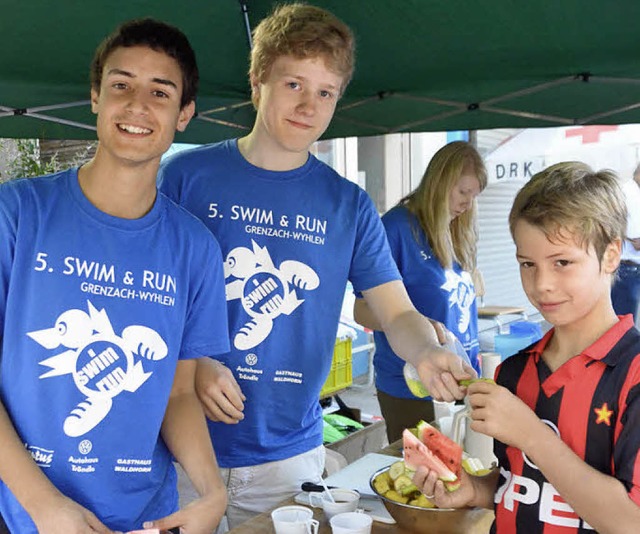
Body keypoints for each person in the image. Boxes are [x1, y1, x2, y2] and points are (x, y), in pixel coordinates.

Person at [158, 3, 474, 528]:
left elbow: (395, 313)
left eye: (325, 92)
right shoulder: (185, 176)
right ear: (258, 82)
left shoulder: (348, 205)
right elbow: (147, 300)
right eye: (294, 85)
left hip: (288, 459)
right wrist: (193, 366)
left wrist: (426, 351)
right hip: (181, 449)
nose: (309, 105)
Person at [0, 18, 230, 534]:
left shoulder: (195, 248)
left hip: (146, 519)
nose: (137, 106)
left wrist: (213, 490)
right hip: (22, 515)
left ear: (184, 115)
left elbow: (178, 393)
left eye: (160, 92)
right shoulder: (15, 215)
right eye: (121, 85)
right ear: (95, 97)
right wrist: (45, 506)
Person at [413, 162, 640, 532]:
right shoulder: (514, 372)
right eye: (527, 264)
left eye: (562, 262)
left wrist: (532, 435)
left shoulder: (632, 375)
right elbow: (516, 484)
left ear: (611, 255)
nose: (542, 284)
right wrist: (474, 489)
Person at [352, 141, 487, 443]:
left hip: (461, 377)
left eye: (474, 196)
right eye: (463, 192)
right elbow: (361, 308)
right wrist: (418, 326)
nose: (468, 203)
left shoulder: (455, 229)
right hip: (411, 384)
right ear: (440, 183)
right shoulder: (397, 228)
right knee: (422, 478)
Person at [611, 163, 640, 326]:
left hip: (628, 269)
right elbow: (637, 241)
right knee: (623, 325)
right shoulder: (631, 195)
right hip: (627, 269)